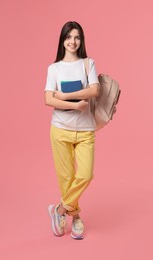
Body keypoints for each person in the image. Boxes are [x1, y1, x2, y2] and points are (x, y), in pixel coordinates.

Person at [44, 21, 100, 240]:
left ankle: (58, 210)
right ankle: (76, 218)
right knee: (66, 178)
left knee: (85, 175)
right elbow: (48, 99)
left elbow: (95, 90)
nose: (73, 41)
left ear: (81, 40)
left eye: (77, 37)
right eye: (69, 37)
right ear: (62, 40)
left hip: (85, 130)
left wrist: (63, 96)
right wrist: (75, 103)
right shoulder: (54, 68)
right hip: (60, 129)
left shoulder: (88, 63)